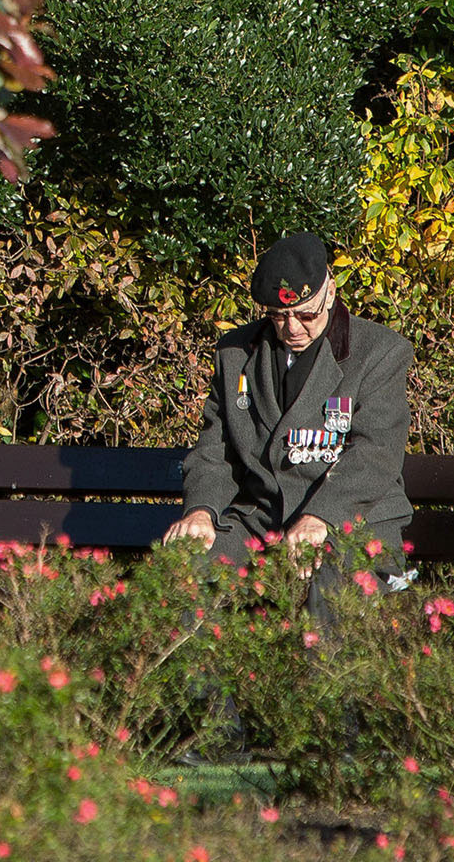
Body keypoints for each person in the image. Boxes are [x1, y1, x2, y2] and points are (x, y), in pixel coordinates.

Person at [162, 232, 413, 630]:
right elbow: (215, 451)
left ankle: (322, 675)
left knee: (328, 587)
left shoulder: (379, 351)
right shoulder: (235, 353)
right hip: (260, 524)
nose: (292, 327)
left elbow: (374, 454)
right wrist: (201, 511)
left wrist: (320, 517)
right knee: (188, 568)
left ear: (330, 292)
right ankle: (193, 676)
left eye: (306, 315)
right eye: (278, 316)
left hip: (353, 523)